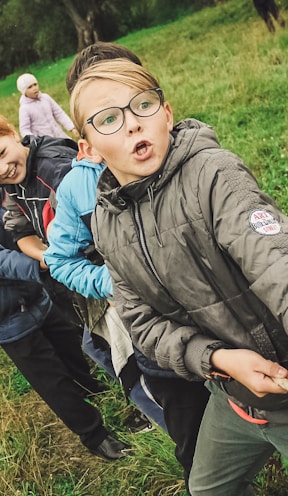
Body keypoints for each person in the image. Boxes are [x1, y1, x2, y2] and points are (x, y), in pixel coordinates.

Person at [69, 58, 288, 496]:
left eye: (143, 105)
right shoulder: (107, 224)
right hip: (231, 395)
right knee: (206, 489)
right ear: (89, 149)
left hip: (283, 389)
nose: (132, 125)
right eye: (109, 119)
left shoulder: (214, 175)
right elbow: (143, 325)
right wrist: (220, 360)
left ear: (166, 115)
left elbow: (274, 265)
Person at [44, 42, 167, 433]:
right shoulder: (79, 187)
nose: (128, 119)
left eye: (137, 99)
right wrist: (110, 282)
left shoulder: (187, 157)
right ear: (86, 132)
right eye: (105, 111)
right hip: (139, 320)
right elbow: (60, 258)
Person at [0, 224, 130, 460]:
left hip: (36, 297)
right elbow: (2, 260)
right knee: (52, 381)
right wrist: (45, 263)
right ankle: (94, 436)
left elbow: (14, 229)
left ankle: (88, 388)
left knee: (70, 348)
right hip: (9, 320)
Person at [16, 73, 79, 139]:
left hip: (59, 135)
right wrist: (34, 140)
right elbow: (24, 129)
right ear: (24, 92)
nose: (34, 88)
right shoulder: (25, 108)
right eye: (30, 87)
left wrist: (71, 127)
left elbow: (59, 113)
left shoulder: (46, 98)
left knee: (72, 147)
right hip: (45, 143)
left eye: (35, 84)